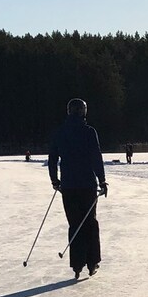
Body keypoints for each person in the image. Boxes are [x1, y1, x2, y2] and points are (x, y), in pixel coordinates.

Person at [48, 97, 107, 280]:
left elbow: (52, 159)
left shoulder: (60, 132)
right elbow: (96, 157)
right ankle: (92, 261)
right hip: (87, 185)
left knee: (75, 224)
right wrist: (102, 181)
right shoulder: (89, 132)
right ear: (83, 112)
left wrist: (55, 181)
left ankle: (77, 264)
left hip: (69, 186)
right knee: (90, 222)